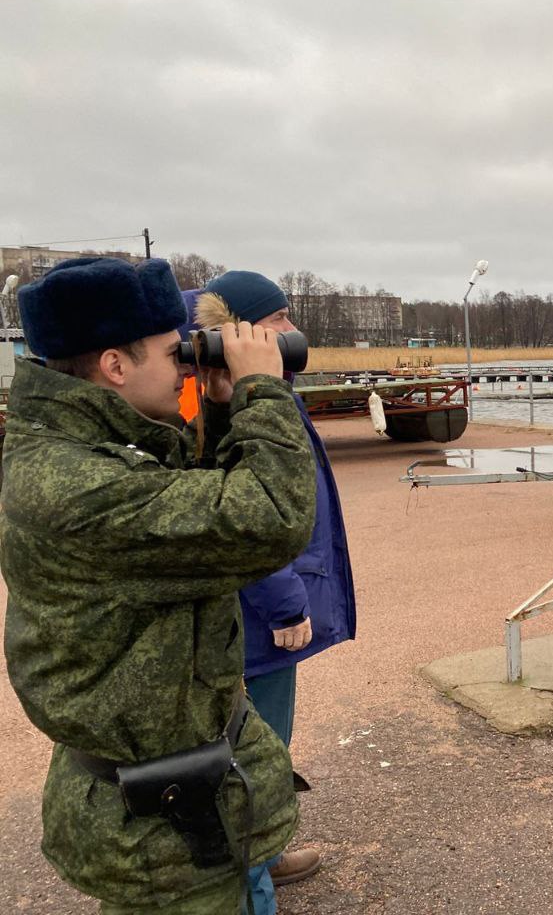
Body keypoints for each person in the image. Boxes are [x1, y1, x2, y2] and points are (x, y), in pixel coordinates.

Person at [1, 256, 317, 914]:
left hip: (171, 792)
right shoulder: (82, 488)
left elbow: (194, 508)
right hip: (156, 828)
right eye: (175, 353)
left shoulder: (84, 444)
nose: (186, 366)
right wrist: (264, 392)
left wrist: (226, 413)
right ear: (114, 367)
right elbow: (271, 520)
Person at [191, 270, 357, 893]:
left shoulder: (253, 394)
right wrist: (287, 605)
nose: (292, 332)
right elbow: (246, 517)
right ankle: (252, 869)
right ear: (243, 330)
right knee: (255, 748)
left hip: (262, 611)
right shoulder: (244, 403)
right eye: (280, 319)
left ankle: (267, 849)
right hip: (260, 620)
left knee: (262, 745)